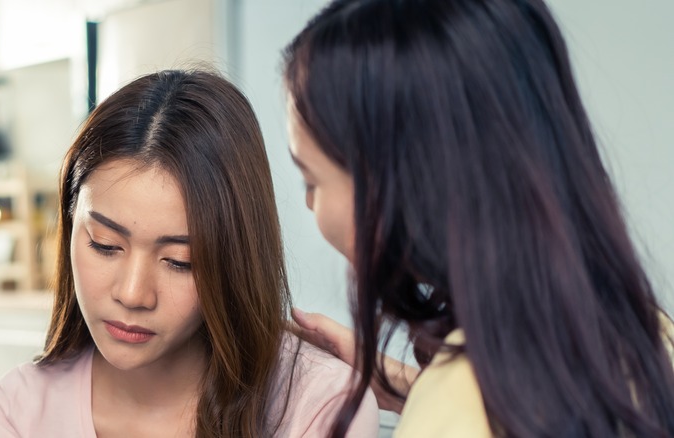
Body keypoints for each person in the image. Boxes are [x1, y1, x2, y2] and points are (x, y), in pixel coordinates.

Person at [282, 0, 674, 437]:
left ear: (403, 185)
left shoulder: (453, 414)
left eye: (310, 180)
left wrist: (440, 398)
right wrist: (415, 386)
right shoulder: (645, 336)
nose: (309, 204)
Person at [0, 69, 378, 437]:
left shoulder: (321, 406)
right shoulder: (16, 414)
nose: (133, 294)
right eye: (104, 245)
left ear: (233, 260)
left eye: (181, 262)